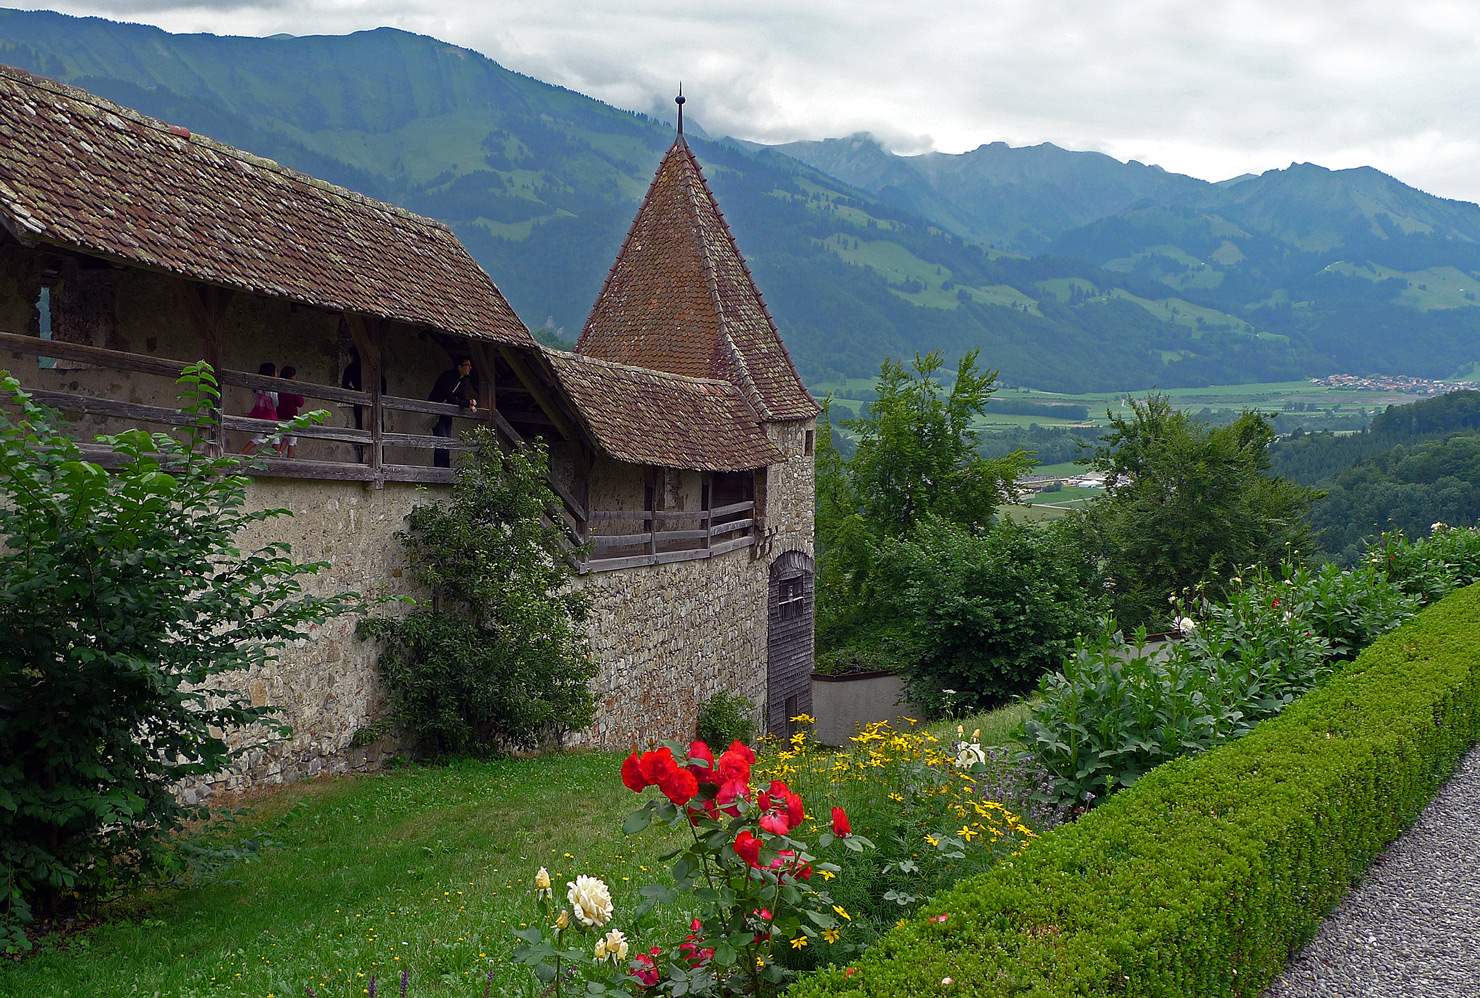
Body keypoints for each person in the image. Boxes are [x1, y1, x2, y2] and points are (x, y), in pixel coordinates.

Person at [428, 355, 477, 468]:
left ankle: (445, 469)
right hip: (437, 413)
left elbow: (461, 397)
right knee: (442, 442)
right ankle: (438, 470)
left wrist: (469, 402)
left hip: (447, 414)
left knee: (448, 443)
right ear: (460, 366)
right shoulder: (448, 377)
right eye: (467, 365)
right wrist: (467, 403)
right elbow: (450, 397)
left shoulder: (463, 380)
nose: (470, 367)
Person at [342, 347, 386, 463]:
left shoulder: (350, 368)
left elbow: (344, 386)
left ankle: (364, 460)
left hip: (359, 403)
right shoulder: (373, 368)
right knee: (379, 431)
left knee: (362, 431)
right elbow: (384, 384)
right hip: (377, 403)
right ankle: (380, 460)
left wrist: (356, 392)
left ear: (351, 356)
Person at [240, 361, 278, 454]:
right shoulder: (273, 388)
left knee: (258, 438)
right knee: (275, 437)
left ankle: (242, 452)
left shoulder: (258, 387)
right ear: (272, 374)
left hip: (259, 414)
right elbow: (276, 402)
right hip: (270, 415)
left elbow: (255, 397)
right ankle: (277, 456)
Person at [275, 365, 304, 458]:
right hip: (291, 417)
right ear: (292, 376)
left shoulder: (278, 387)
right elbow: (300, 403)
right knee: (292, 440)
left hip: (279, 416)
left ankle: (280, 452)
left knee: (285, 436)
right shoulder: (293, 388)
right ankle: (289, 459)